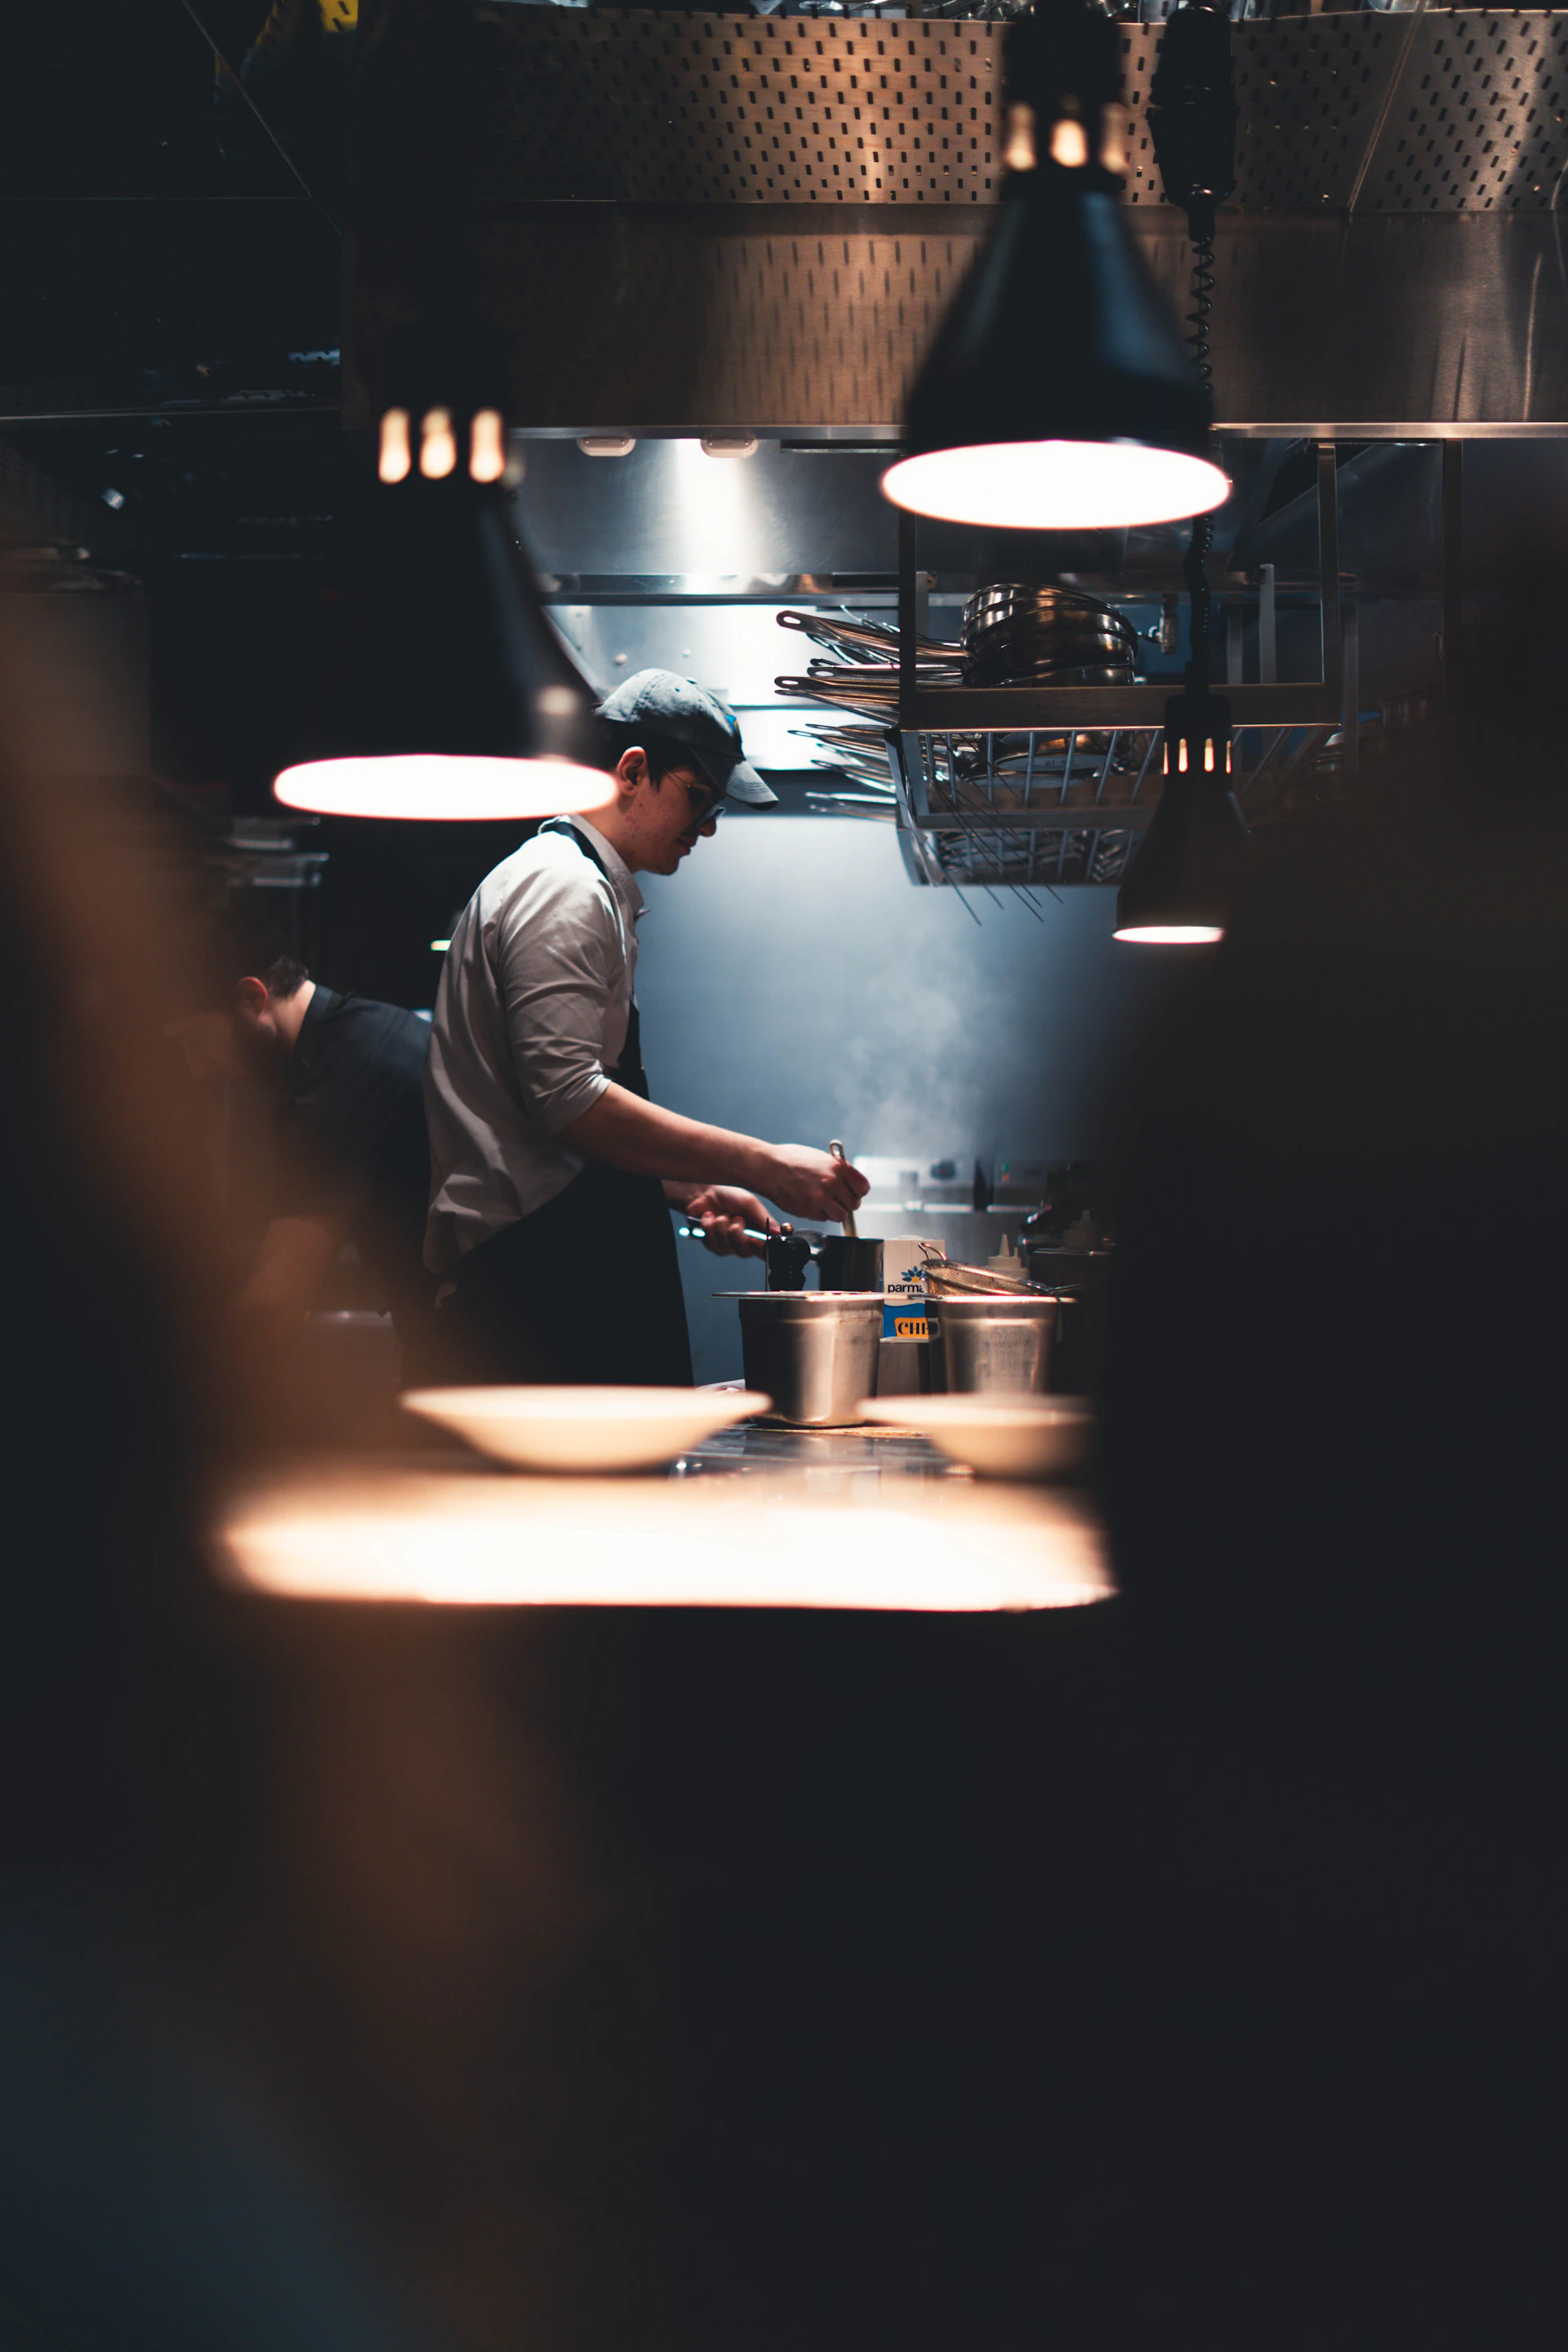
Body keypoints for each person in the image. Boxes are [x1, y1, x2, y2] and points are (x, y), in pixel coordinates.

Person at [425, 669, 868, 1385]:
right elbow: (568, 1102)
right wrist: (761, 1162)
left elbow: (548, 1119)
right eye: (699, 798)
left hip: (560, 1270)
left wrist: (684, 1188)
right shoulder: (562, 889)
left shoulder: (591, 888)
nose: (711, 825)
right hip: (532, 1292)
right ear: (633, 771)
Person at [168, 945, 435, 1355]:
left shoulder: (336, 1082)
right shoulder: (362, 1028)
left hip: (490, 1333)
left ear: (253, 997)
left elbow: (275, 1307)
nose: (196, 1067)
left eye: (196, 1038)